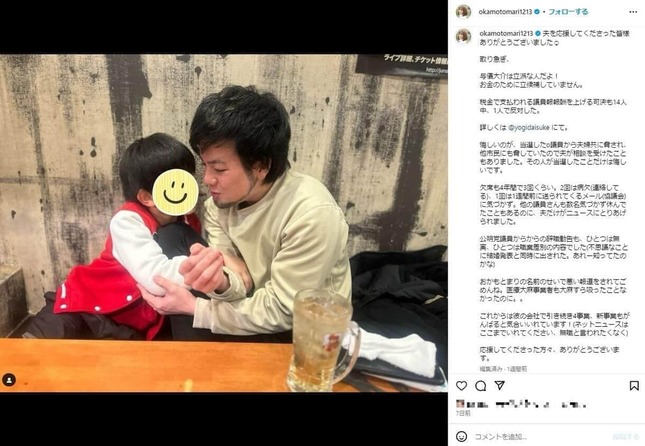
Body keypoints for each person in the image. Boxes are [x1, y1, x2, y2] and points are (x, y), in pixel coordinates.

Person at [138, 85, 352, 341]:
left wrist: (194, 307)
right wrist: (221, 281)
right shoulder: (217, 206)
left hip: (302, 331)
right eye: (205, 165)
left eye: (219, 169)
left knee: (190, 306)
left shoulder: (311, 214)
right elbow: (237, 283)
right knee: (172, 235)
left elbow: (285, 310)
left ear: (261, 166)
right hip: (250, 303)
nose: (207, 179)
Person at [23, 133, 210, 340]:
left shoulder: (188, 222)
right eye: (176, 184)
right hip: (87, 307)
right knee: (32, 350)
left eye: (189, 180)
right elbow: (157, 279)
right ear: (147, 197)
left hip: (131, 326)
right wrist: (207, 268)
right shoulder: (128, 220)